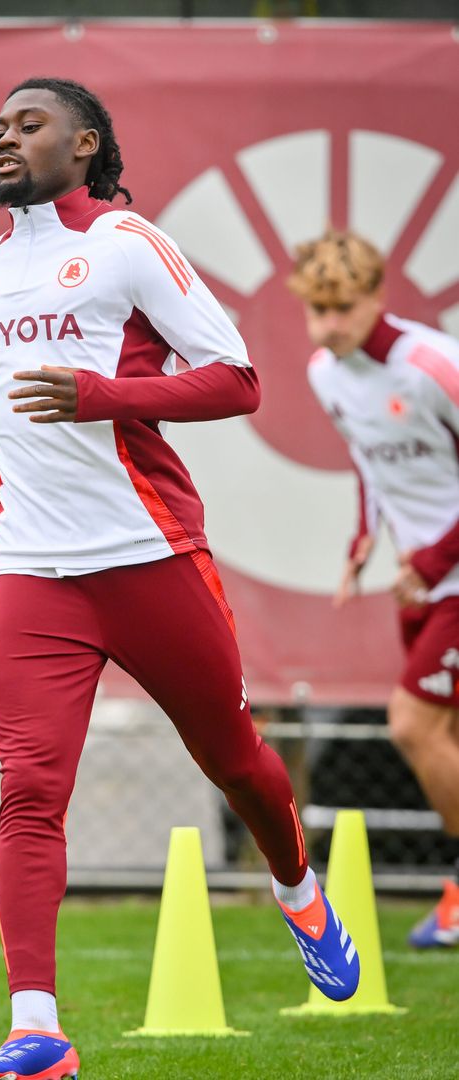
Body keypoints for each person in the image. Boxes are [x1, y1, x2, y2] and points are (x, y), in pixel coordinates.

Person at [0, 78, 359, 1080]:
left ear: (84, 143)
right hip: (32, 566)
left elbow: (235, 379)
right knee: (28, 789)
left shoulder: (130, 243)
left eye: (30, 124)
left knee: (233, 756)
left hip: (146, 552)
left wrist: (104, 394)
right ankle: (36, 1033)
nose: (6, 137)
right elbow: (21, 414)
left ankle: (297, 887)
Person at [288, 228, 459, 949]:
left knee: (412, 725)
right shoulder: (325, 372)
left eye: (344, 309)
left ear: (378, 297)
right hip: (420, 582)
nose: (330, 326)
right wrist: (364, 542)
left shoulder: (433, 363)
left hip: (444, 575)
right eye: (317, 311)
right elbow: (372, 465)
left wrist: (433, 558)